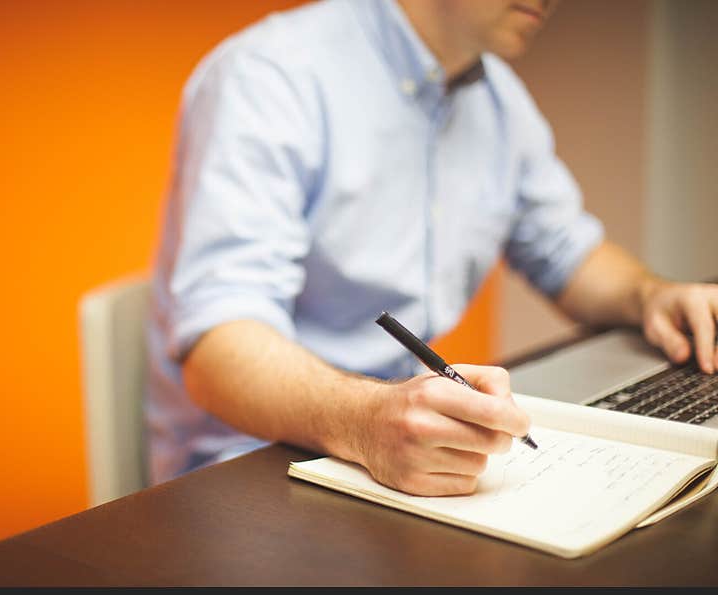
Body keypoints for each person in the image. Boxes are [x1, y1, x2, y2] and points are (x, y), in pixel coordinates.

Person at [144, 0, 718, 494]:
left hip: (395, 444)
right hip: (250, 470)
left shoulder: (497, 100)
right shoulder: (269, 77)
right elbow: (217, 352)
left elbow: (566, 252)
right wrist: (367, 421)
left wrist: (651, 295)